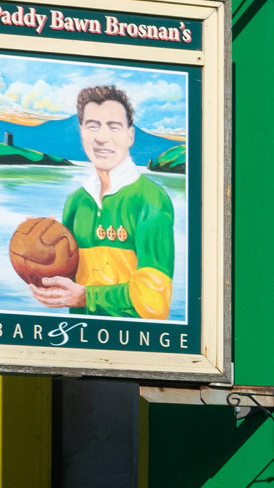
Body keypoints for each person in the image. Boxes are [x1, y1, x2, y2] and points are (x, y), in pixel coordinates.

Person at [29, 82, 178, 320]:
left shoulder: (151, 199)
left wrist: (87, 297)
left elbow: (155, 300)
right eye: (92, 126)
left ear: (130, 135)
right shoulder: (76, 201)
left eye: (114, 127)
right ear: (81, 133)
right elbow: (66, 281)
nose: (102, 138)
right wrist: (38, 247)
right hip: (78, 335)